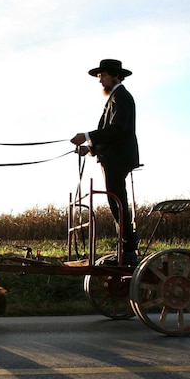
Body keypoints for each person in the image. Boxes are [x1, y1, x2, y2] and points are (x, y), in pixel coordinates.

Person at [71, 58, 140, 265]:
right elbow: (108, 134)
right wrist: (89, 149)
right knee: (114, 200)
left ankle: (128, 249)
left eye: (103, 76)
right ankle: (125, 246)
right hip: (112, 157)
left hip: (117, 158)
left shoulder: (122, 98)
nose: (100, 81)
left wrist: (86, 135)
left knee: (117, 200)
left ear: (115, 76)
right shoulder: (114, 99)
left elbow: (117, 130)